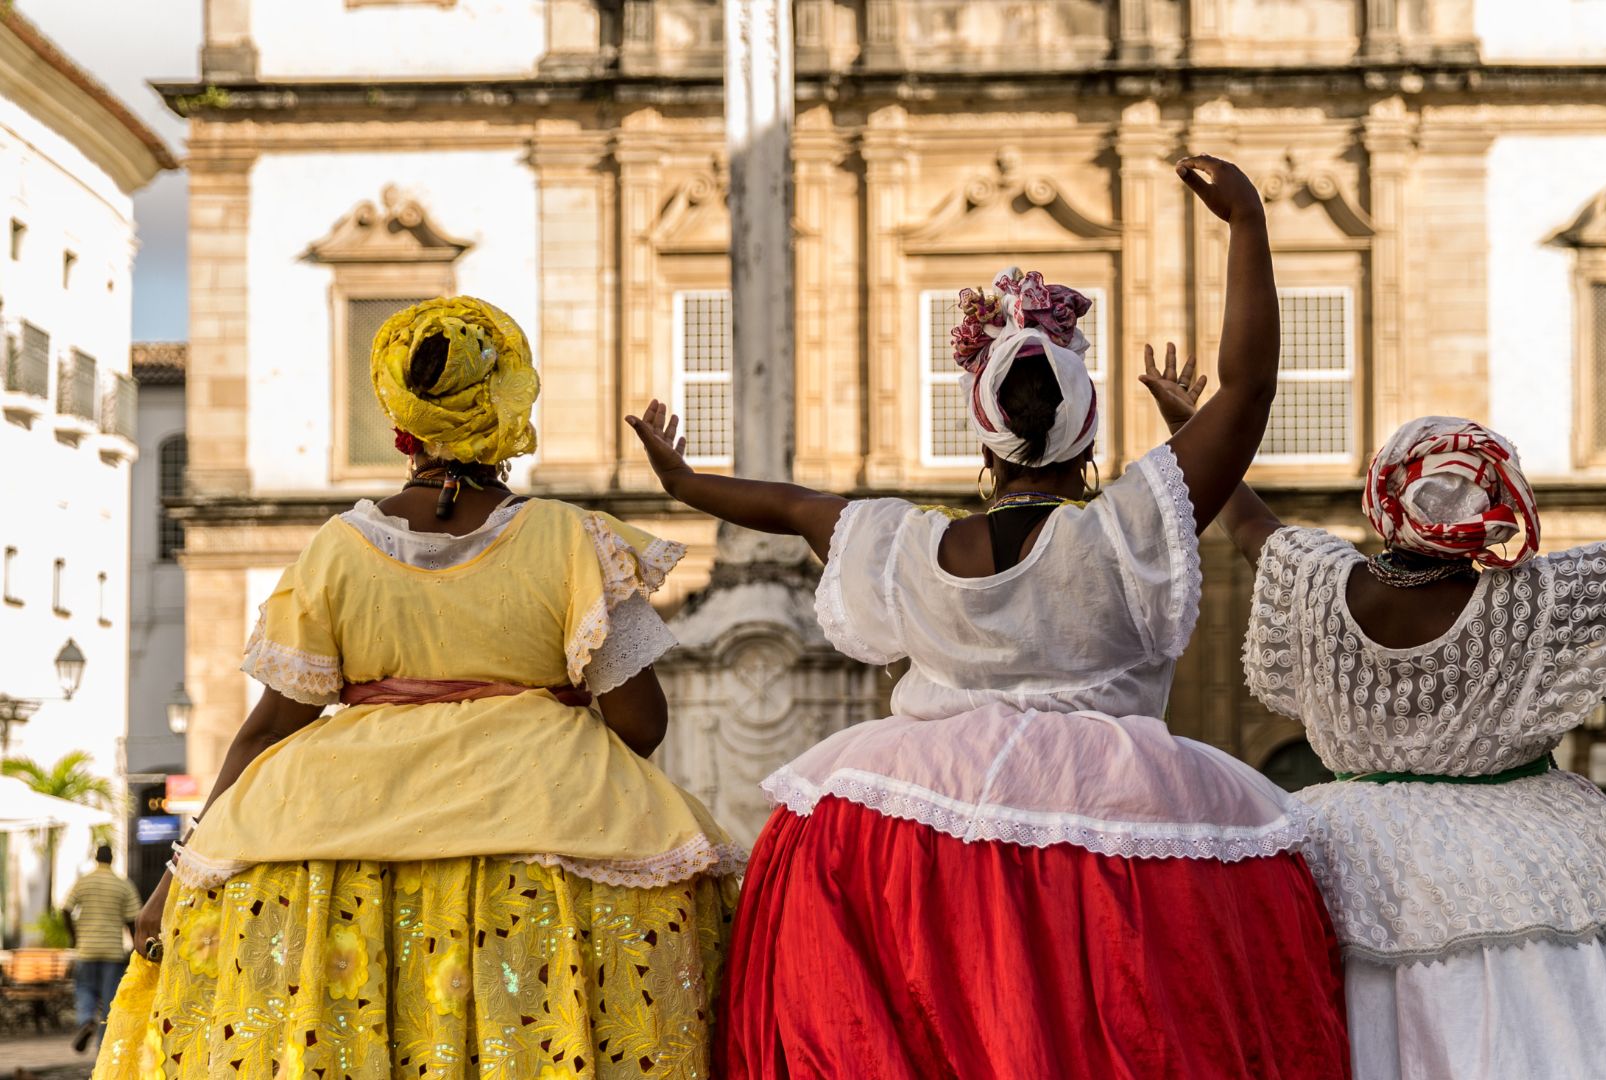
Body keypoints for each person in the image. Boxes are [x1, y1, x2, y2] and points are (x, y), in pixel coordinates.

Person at [628, 155, 1350, 1079]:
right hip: (1115, 819)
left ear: (986, 432)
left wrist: (685, 483)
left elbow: (794, 504)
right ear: (1084, 429)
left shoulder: (902, 545)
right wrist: (1247, 226)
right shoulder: (1127, 528)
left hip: (918, 823)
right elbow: (1247, 390)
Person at [1141, 316, 1606, 1079]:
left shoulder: (1316, 581)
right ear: (1494, 508)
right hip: (1532, 851)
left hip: (1342, 851)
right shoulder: (1531, 602)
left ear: (1386, 498)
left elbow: (1245, 517)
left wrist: (1190, 422)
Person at [94, 297, 741, 1078]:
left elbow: (267, 729)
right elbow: (640, 722)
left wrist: (173, 879)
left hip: (331, 858)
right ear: (507, 404)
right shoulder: (573, 538)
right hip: (551, 848)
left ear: (403, 418)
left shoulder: (336, 552)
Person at [62, 845, 139, 1053]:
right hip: (112, 951)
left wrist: (73, 936)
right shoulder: (123, 885)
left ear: (96, 858)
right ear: (112, 859)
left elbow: (66, 908)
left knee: (84, 989)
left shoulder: (84, 882)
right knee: (109, 1001)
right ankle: (103, 1048)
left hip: (86, 949)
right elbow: (133, 919)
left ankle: (86, 1020)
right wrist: (134, 947)